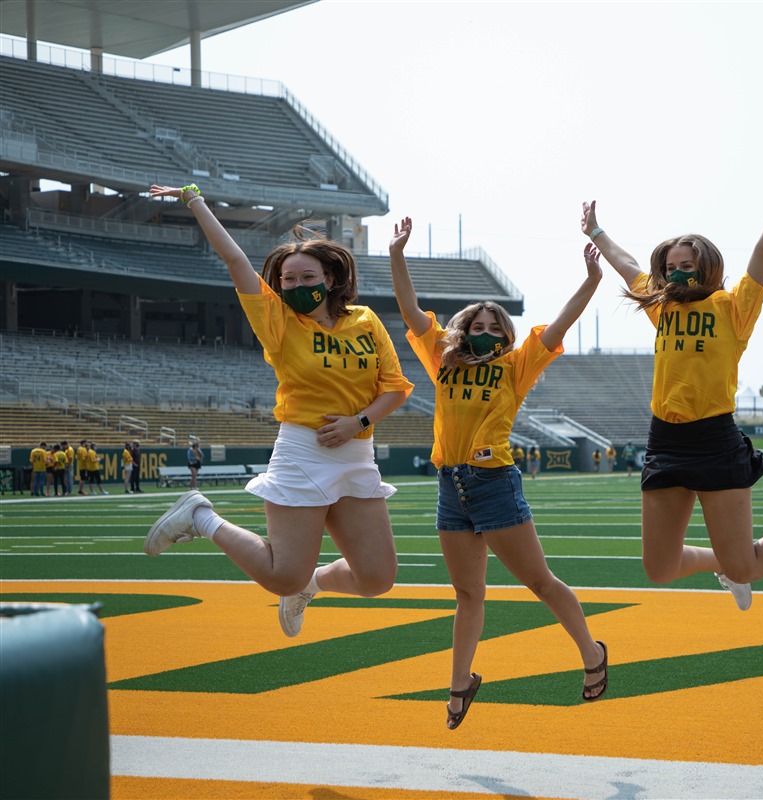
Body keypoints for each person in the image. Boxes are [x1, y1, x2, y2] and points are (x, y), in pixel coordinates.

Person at [581, 149, 763, 612]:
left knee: (745, 567)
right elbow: (625, 262)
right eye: (671, 265)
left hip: (714, 439)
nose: (677, 272)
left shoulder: (733, 308)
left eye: (687, 265)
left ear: (708, 268)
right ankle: (721, 565)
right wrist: (596, 231)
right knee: (659, 569)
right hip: (665, 442)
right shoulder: (661, 306)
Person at [142, 182, 414, 639]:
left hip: (356, 452)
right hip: (303, 452)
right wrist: (194, 200)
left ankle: (311, 586)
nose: (297, 286)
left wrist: (359, 422)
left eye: (308, 278)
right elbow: (235, 261)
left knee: (377, 579)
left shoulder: (366, 321)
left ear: (330, 279)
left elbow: (395, 389)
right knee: (281, 575)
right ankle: (200, 517)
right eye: (288, 279)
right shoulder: (278, 321)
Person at [389, 215, 608, 730]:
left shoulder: (515, 366)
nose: (486, 333)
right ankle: (460, 681)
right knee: (467, 594)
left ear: (506, 337)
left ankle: (592, 652)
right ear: (462, 330)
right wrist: (398, 254)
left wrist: (592, 281)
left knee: (539, 581)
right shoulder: (441, 358)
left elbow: (558, 326)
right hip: (450, 487)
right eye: (477, 326)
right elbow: (409, 309)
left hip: (494, 484)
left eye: (495, 328)